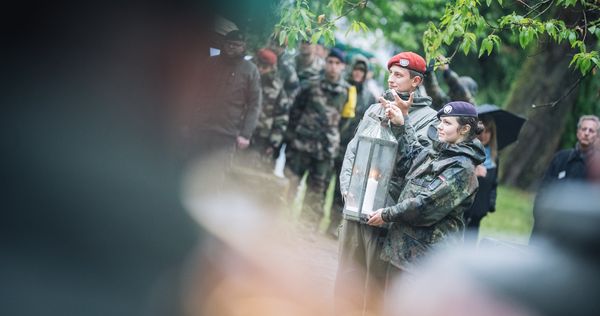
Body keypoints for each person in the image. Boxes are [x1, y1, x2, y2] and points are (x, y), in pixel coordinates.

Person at [335, 51, 438, 315]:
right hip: (354, 206)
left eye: (399, 75)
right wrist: (346, 186)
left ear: (416, 82)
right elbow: (353, 149)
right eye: (391, 73)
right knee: (346, 279)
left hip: (384, 213)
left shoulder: (429, 119)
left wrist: (401, 125)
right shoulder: (374, 106)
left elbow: (418, 166)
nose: (391, 80)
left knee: (373, 287)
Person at [366, 100, 485, 302]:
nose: (439, 126)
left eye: (447, 123)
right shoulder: (440, 151)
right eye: (440, 121)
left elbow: (425, 205)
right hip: (400, 251)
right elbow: (410, 159)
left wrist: (387, 214)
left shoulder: (463, 169)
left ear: (464, 129)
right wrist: (401, 123)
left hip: (423, 262)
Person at [285, 47, 352, 222]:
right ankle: (279, 223)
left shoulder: (347, 91)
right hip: (301, 144)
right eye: (330, 62)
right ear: (325, 62)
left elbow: (345, 121)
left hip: (326, 150)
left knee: (316, 191)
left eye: (337, 63)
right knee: (289, 184)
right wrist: (292, 136)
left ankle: (305, 229)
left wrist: (331, 136)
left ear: (343, 67)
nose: (333, 67)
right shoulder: (310, 84)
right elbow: (295, 111)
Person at [187, 30, 262, 162]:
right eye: (229, 44)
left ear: (243, 47)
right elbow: (195, 92)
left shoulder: (250, 70)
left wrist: (246, 134)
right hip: (201, 128)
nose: (231, 47)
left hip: (227, 134)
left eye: (236, 44)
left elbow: (254, 104)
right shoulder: (211, 63)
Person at [329, 54, 377, 238]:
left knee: (343, 190)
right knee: (324, 183)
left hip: (353, 150)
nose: (358, 73)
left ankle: (334, 225)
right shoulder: (342, 87)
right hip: (333, 142)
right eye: (356, 69)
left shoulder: (368, 96)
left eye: (362, 71)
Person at [532, 115, 599, 234]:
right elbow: (544, 190)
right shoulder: (560, 158)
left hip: (579, 232)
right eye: (584, 129)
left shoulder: (596, 168)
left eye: (591, 130)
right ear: (578, 132)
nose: (586, 133)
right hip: (548, 226)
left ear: (597, 136)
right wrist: (540, 216)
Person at [247, 48, 290, 168]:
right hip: (236, 131)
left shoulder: (277, 88)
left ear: (272, 68)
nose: (260, 69)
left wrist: (273, 143)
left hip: (261, 137)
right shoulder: (245, 78)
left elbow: (282, 117)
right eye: (258, 64)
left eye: (265, 66)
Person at [463, 115, 498, 243]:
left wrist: (490, 204)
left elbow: (494, 183)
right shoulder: (467, 152)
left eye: (488, 131)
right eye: (482, 130)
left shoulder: (494, 157)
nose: (484, 135)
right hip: (464, 206)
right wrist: (473, 172)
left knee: (470, 242)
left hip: (479, 208)